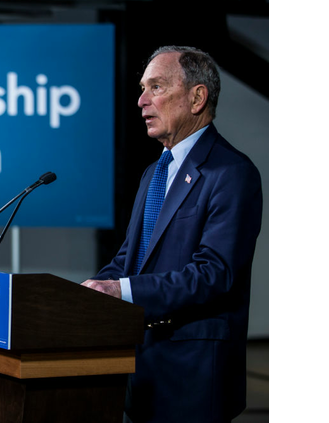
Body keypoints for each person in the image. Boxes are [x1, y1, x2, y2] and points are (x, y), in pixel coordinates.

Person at [81, 46, 262, 422]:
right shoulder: (154, 172)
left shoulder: (232, 173)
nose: (142, 100)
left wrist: (122, 291)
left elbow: (215, 273)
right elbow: (131, 258)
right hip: (140, 369)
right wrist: (90, 291)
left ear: (197, 97)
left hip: (192, 376)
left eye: (157, 87)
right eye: (143, 88)